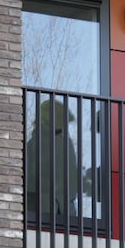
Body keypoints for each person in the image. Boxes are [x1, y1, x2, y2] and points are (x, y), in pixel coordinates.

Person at [25, 98, 81, 229]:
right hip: (41, 214)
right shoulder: (35, 145)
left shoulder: (65, 143)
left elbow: (72, 183)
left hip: (63, 215)